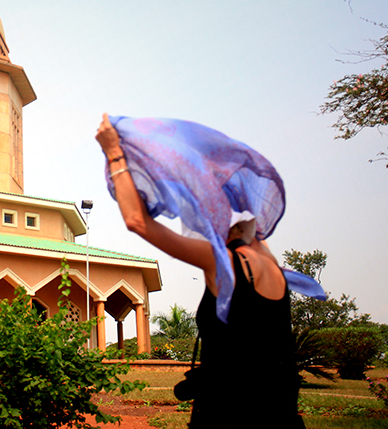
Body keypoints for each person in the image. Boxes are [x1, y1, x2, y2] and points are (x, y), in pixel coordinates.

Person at [96, 114, 305, 428]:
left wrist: (114, 152)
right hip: (280, 415)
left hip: (228, 415)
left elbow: (137, 221)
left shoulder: (223, 264)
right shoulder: (272, 265)